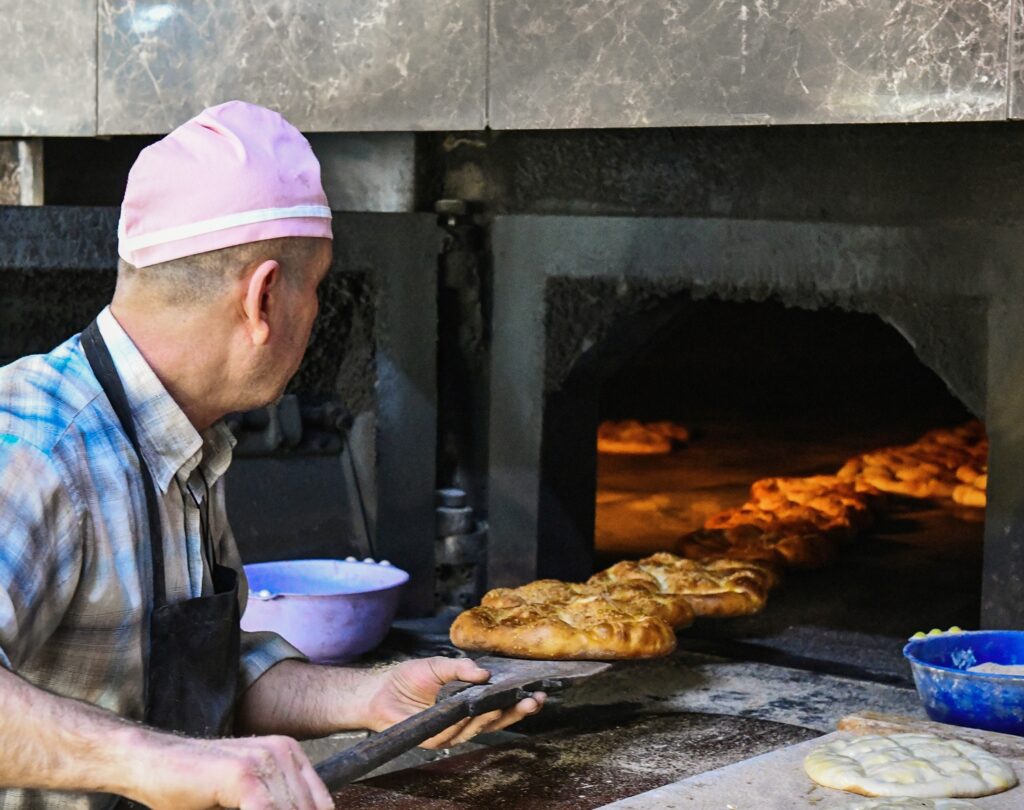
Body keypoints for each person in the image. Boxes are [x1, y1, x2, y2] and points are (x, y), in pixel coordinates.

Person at [0, 101, 543, 810]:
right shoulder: (36, 443)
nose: (313, 314)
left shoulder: (185, 440)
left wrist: (372, 694)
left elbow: (201, 675)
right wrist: (157, 760)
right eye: (313, 289)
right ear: (263, 298)